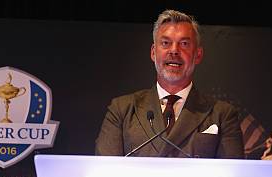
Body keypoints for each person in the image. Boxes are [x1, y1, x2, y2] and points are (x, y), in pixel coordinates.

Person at [95, 9, 244, 159]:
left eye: (184, 44)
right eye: (166, 43)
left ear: (198, 55)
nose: (174, 50)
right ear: (153, 52)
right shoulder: (122, 110)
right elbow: (106, 174)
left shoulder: (223, 114)